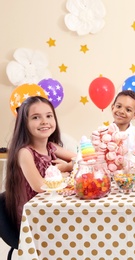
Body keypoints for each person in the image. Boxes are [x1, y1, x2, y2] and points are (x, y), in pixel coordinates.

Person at [5, 96, 76, 231]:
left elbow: (80, 160)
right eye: (36, 117)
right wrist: (63, 175)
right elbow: (39, 186)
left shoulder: (51, 146)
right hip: (33, 220)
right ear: (24, 123)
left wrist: (68, 166)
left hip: (51, 211)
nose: (44, 122)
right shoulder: (25, 152)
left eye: (49, 116)